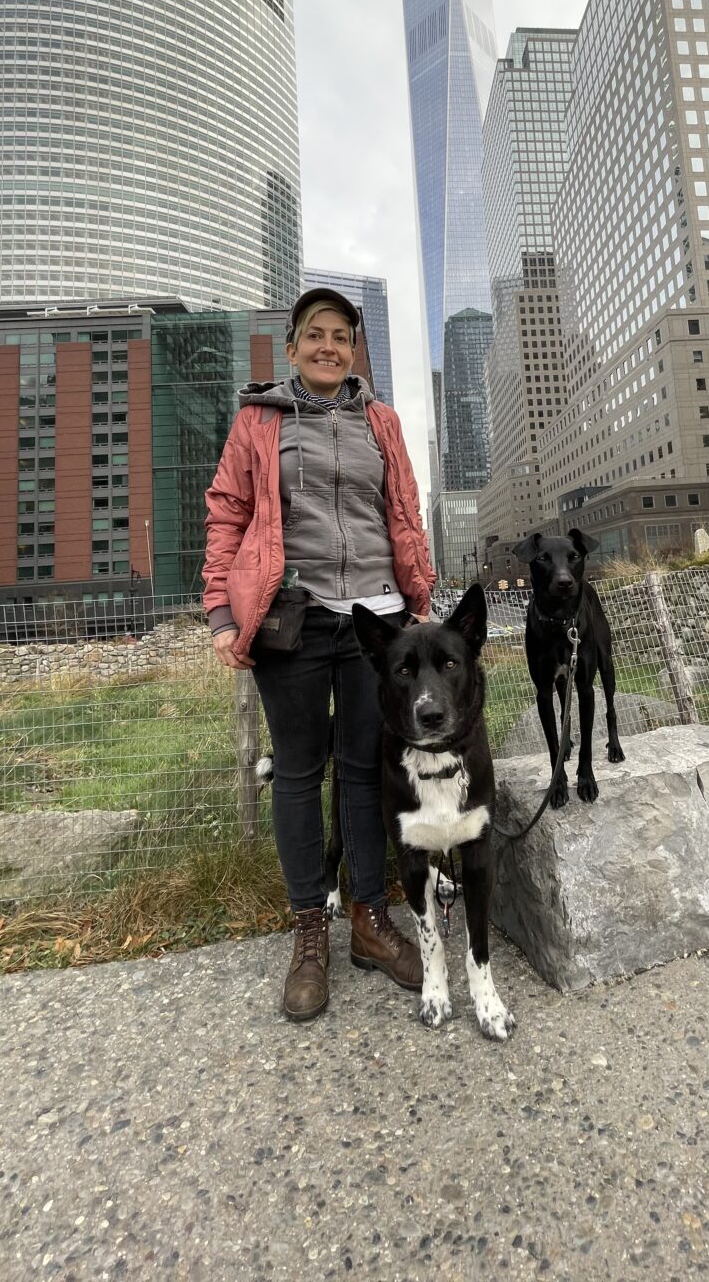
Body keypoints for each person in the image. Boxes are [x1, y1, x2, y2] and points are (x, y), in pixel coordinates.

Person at [203, 287, 436, 1022]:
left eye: (341, 336)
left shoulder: (382, 422)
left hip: (377, 623)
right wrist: (219, 611)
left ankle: (370, 918)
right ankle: (311, 930)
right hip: (292, 622)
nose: (328, 347)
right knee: (301, 773)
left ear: (354, 347)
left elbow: (403, 508)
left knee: (367, 771)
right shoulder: (258, 422)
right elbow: (228, 513)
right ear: (294, 344)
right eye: (315, 335)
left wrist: (419, 591)